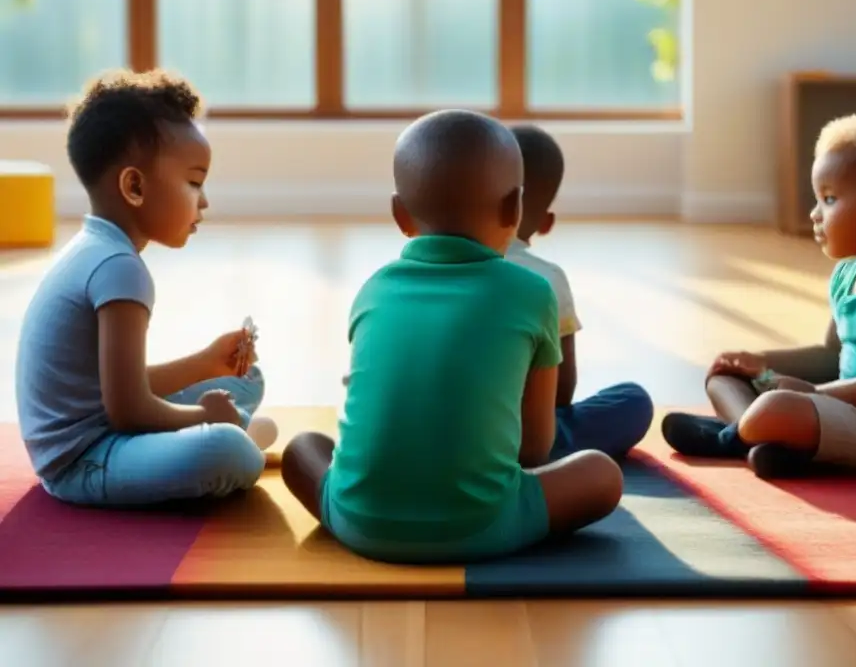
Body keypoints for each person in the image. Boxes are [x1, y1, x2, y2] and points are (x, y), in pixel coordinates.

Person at [282, 109, 623, 564]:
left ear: (400, 214)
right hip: (483, 526)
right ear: (514, 208)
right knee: (602, 474)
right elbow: (534, 449)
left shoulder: (373, 289)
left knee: (301, 449)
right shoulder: (533, 292)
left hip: (359, 524)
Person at [662, 111, 856, 480]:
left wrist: (816, 395)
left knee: (777, 407)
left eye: (828, 199)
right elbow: (832, 353)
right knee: (725, 378)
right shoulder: (848, 273)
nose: (814, 214)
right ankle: (777, 444)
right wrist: (760, 362)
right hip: (845, 408)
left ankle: (735, 437)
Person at [15, 69, 277, 507]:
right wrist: (204, 418)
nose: (205, 200)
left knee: (245, 378)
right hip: (82, 459)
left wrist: (206, 362)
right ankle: (238, 439)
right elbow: (129, 410)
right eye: (194, 182)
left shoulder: (97, 246)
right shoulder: (120, 268)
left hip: (100, 422)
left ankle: (237, 428)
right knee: (223, 451)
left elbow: (115, 386)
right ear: (134, 186)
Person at [506, 124, 653, 460]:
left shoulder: (408, 276)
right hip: (523, 444)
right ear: (547, 222)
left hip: (437, 438)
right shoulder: (547, 280)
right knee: (632, 401)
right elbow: (561, 392)